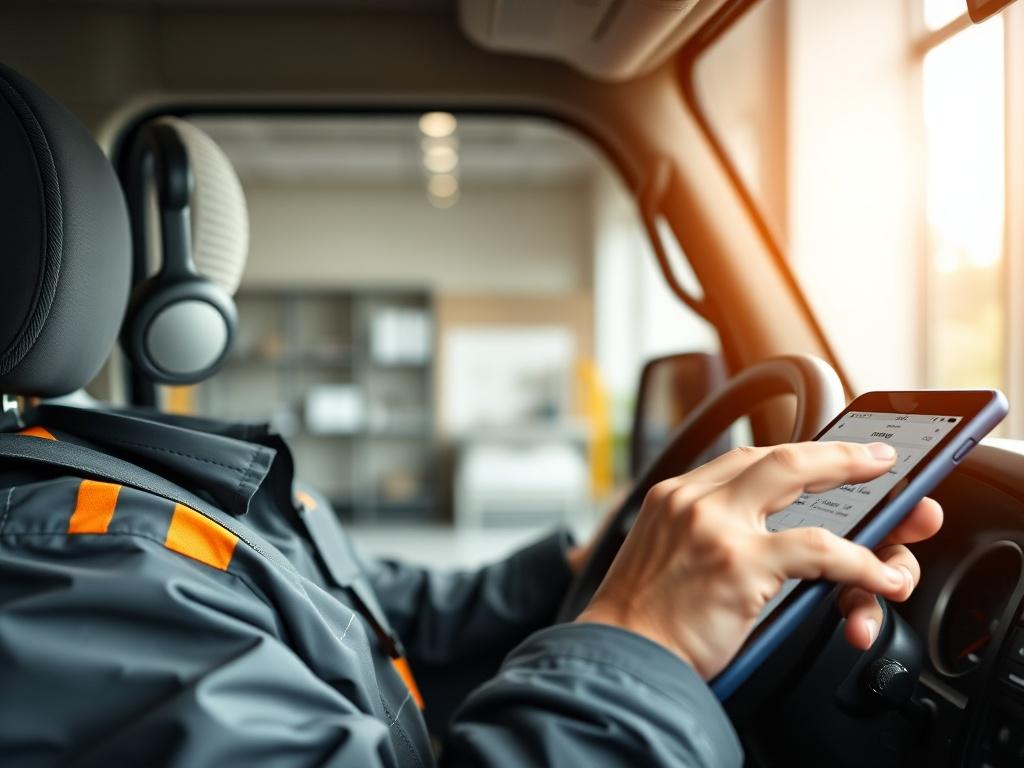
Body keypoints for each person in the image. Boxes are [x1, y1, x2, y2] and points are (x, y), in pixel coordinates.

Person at [0, 62, 941, 767]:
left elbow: (376, 611)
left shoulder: (103, 469)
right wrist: (637, 641)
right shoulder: (60, 560)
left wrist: (601, 567)